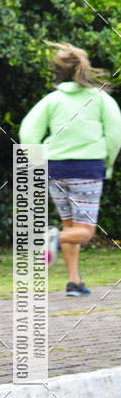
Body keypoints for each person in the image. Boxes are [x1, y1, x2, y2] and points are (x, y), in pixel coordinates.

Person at [19, 42, 121, 296]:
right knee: (84, 233)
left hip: (55, 169)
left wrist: (37, 162)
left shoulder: (51, 100)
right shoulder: (101, 99)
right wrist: (106, 163)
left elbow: (28, 131)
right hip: (87, 169)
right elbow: (115, 135)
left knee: (70, 227)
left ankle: (74, 282)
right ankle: (48, 240)